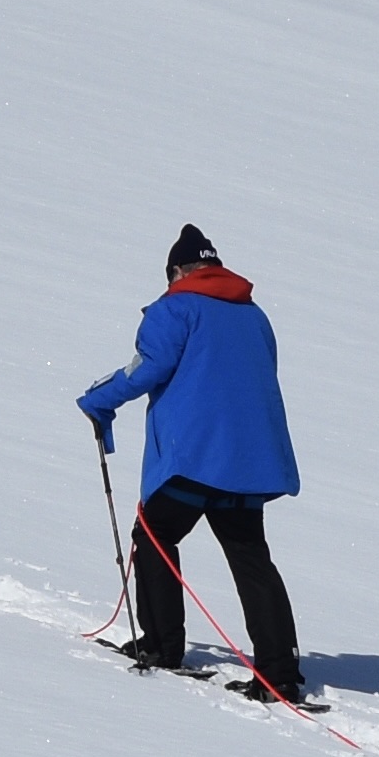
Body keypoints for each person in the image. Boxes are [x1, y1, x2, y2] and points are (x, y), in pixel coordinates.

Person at [80, 223, 306, 703]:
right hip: (250, 464)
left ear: (179, 270)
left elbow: (148, 367)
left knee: (155, 536)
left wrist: (99, 400)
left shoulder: (175, 308)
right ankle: (280, 673)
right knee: (250, 556)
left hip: (193, 457)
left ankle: (162, 646)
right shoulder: (255, 316)